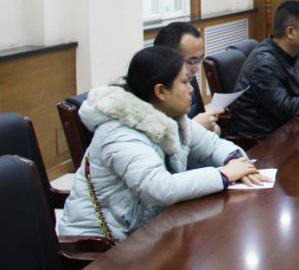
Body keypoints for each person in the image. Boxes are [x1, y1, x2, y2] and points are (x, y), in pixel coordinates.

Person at [57, 46, 266, 241]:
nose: (191, 90)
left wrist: (237, 163)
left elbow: (212, 145)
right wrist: (224, 174)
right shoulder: (120, 133)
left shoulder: (170, 116)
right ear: (160, 92)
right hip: (99, 243)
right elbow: (159, 188)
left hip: (144, 230)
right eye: (185, 82)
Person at [228, 0, 299, 139]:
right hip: (261, 139)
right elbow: (284, 108)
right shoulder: (264, 64)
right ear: (290, 32)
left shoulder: (293, 51)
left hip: (285, 129)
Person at [153, 21, 221, 134]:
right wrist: (195, 127)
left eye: (199, 60)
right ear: (168, 58)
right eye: (192, 61)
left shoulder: (186, 77)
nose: (196, 68)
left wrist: (211, 128)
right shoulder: (155, 93)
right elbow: (161, 141)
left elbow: (210, 128)